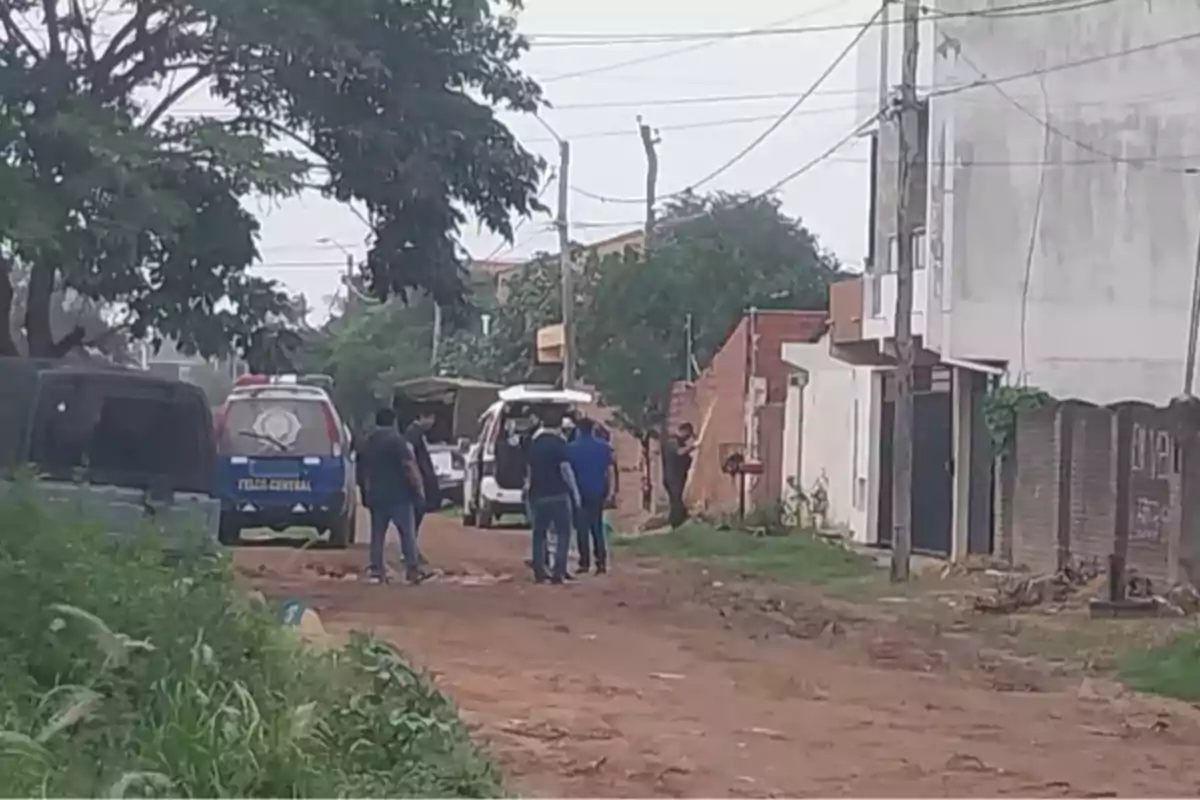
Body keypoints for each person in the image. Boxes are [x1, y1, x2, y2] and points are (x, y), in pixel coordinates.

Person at [360, 407, 427, 584]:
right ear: (393, 421)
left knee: (377, 535)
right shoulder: (397, 441)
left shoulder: (368, 441)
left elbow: (361, 470)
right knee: (407, 533)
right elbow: (408, 466)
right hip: (399, 495)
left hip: (376, 494)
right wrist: (418, 488)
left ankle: (376, 570)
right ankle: (412, 570)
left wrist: (364, 492)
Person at [525, 406, 581, 584]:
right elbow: (566, 470)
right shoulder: (559, 443)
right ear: (558, 425)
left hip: (538, 494)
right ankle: (559, 571)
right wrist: (575, 492)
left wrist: (527, 490)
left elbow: (529, 470)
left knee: (538, 534)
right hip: (558, 494)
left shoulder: (534, 443)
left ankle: (539, 571)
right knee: (564, 533)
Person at [567, 417, 615, 574]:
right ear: (594, 429)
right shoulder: (604, 448)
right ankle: (601, 562)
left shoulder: (571, 448)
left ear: (579, 430)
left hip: (579, 491)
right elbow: (610, 472)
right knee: (597, 527)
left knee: (581, 528)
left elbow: (568, 472)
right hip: (598, 490)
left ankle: (584, 562)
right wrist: (612, 491)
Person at [404, 409, 439, 566]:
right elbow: (409, 453)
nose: (432, 422)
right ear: (423, 417)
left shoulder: (417, 433)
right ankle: (409, 552)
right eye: (431, 418)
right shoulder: (413, 432)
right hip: (416, 481)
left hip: (421, 480)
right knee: (414, 516)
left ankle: (411, 550)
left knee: (417, 516)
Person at [661, 422, 696, 529]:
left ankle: (679, 522)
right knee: (676, 502)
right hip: (672, 478)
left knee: (678, 501)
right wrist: (692, 447)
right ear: (683, 431)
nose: (688, 438)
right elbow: (679, 452)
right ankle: (676, 524)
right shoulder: (673, 441)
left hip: (678, 478)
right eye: (688, 435)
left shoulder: (680, 442)